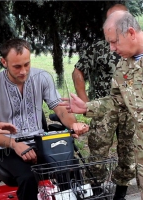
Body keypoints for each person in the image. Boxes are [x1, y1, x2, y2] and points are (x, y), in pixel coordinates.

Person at [0, 38, 89, 200]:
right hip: (7, 147)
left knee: (70, 166)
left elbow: (60, 109)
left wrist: (73, 124)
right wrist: (14, 144)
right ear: (4, 62)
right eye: (17, 66)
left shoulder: (42, 77)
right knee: (28, 178)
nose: (23, 71)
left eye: (27, 64)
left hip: (40, 141)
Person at [60, 10, 143, 200]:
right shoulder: (125, 64)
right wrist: (88, 107)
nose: (112, 48)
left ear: (130, 33)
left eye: (114, 42)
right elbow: (118, 100)